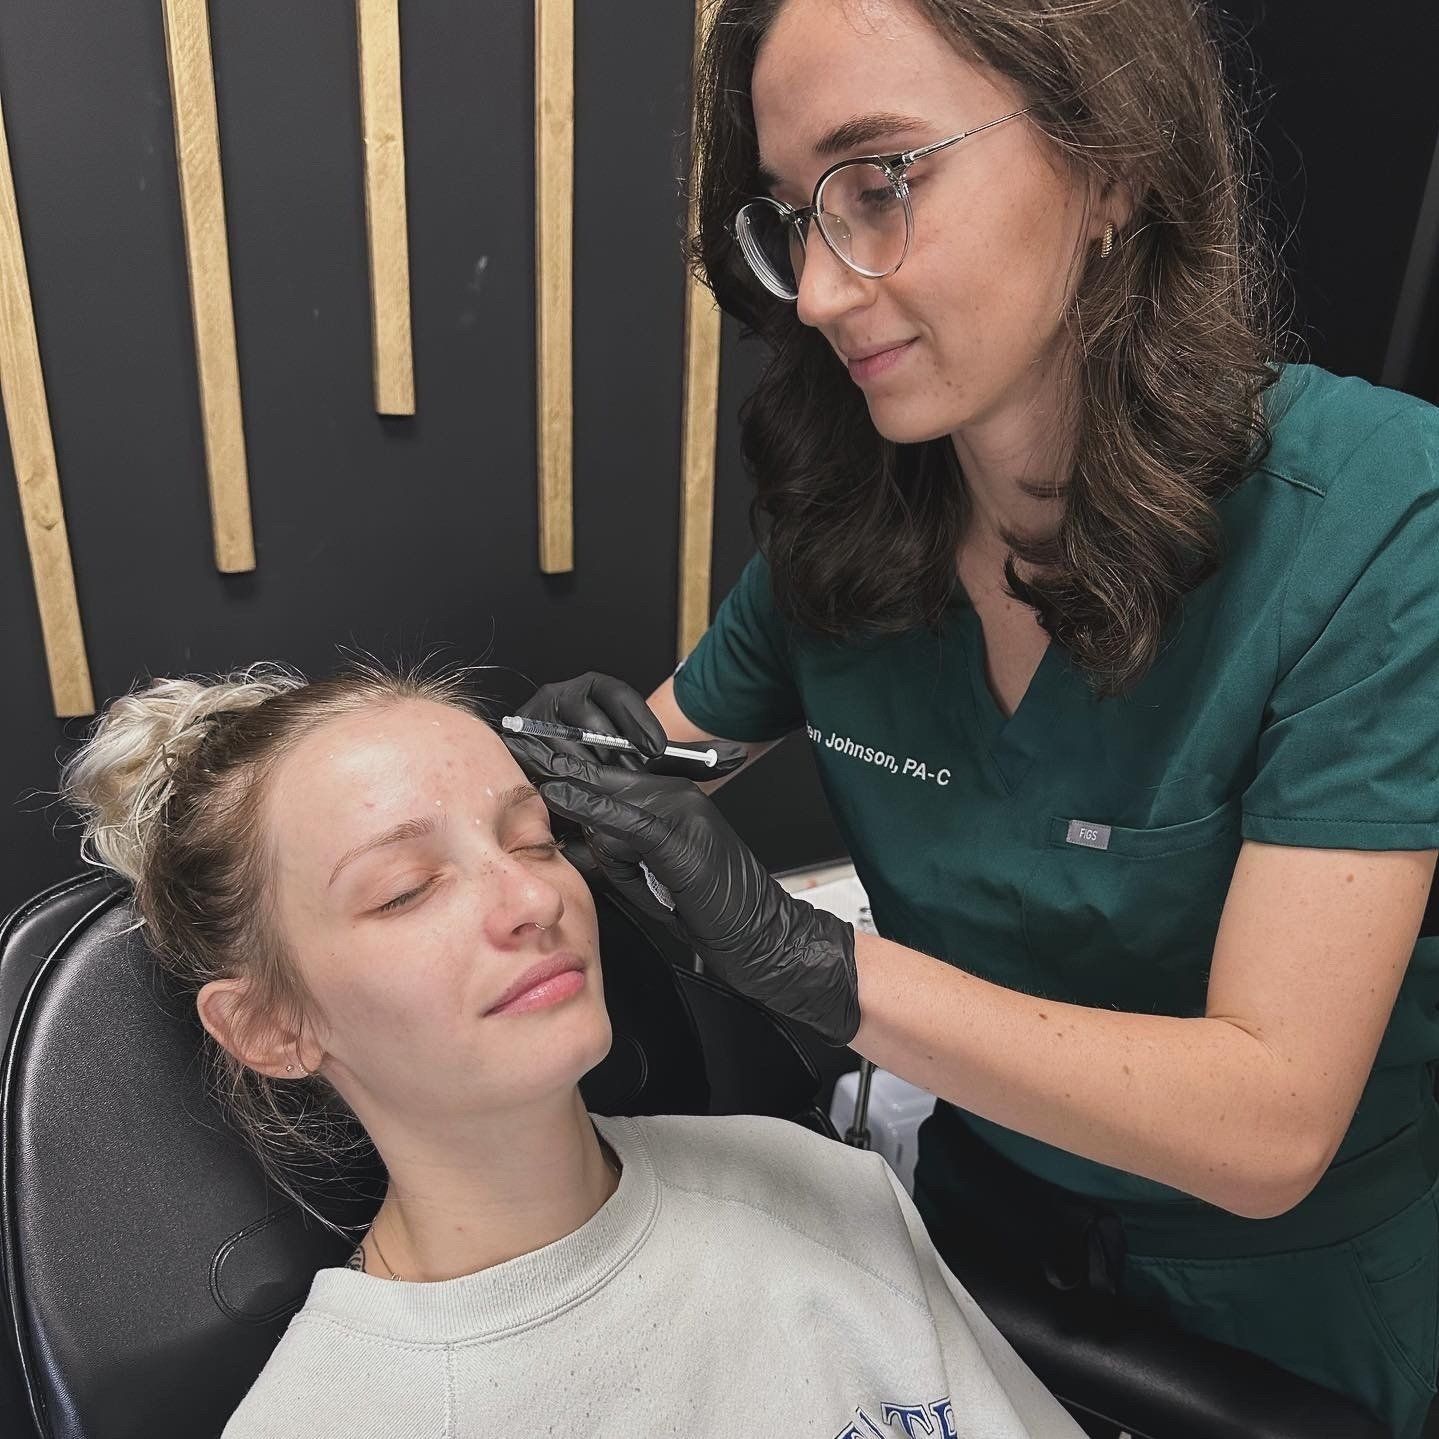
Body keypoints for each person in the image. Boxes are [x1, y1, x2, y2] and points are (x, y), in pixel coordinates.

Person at [502, 1, 1439, 1434]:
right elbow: (674, 748)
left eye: (877, 184)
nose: (815, 291)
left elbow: (1264, 1125)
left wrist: (805, 960)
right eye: (784, 217)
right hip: (977, 1230)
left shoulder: (1377, 521)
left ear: (1110, 159)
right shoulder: (857, 527)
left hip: (1279, 1308)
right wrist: (588, 771)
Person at [60, 662, 1085, 1438]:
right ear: (274, 1027)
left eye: (533, 836)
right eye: (408, 886)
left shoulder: (815, 1186)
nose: (529, 897)